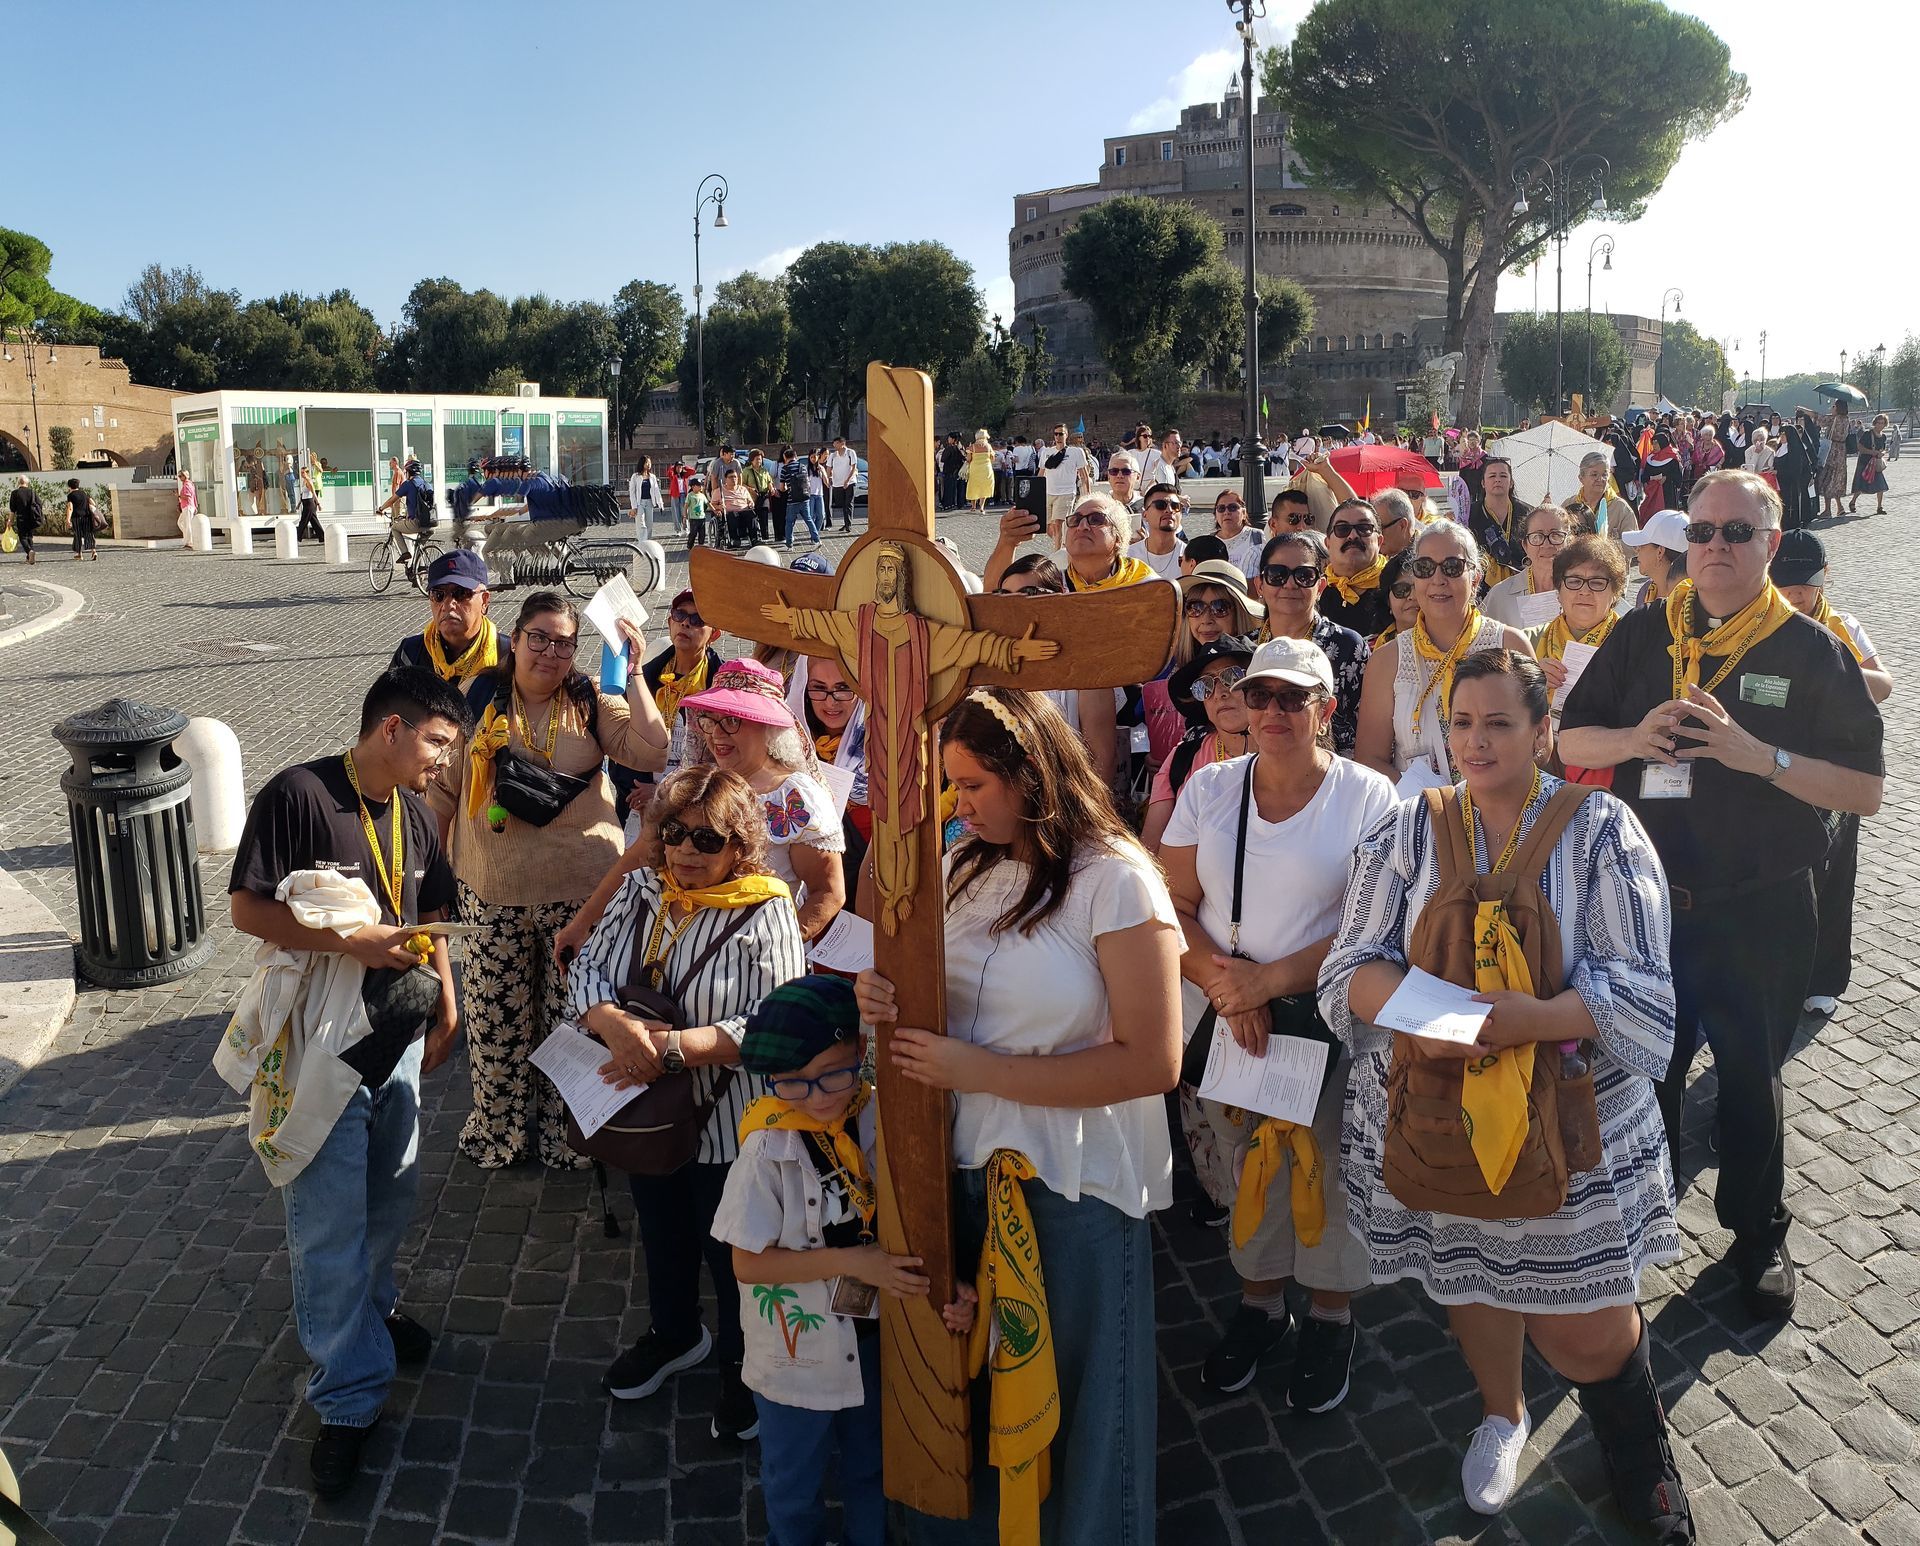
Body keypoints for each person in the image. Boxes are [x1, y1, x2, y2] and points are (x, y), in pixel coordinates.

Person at [1321, 650, 1691, 1537]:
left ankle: (1637, 1442)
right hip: (1441, 1115)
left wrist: (1532, 1019)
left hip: (1567, 1124)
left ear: (1541, 731)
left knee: (1588, 1331)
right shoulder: (1408, 830)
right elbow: (1351, 965)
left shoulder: (1601, 829)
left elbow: (1643, 989)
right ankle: (1502, 1412)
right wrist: (1432, 1013)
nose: (1476, 742)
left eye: (1498, 723)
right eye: (1461, 723)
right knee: (1473, 1274)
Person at [853, 688, 1182, 1543]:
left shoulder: (1117, 878)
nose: (957, 804)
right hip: (963, 1173)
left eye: (972, 785)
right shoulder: (962, 865)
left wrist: (982, 1072)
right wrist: (880, 994)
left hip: (1070, 1190)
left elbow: (1153, 1062)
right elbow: (940, 998)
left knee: (1082, 1418)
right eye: (951, 785)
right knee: (976, 1400)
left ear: (1031, 775)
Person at [1560, 470, 1885, 1322]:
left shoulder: (1809, 649)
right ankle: (1642, 1217)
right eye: (1702, 532)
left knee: (1749, 1077)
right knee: (1646, 1071)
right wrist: (1633, 738)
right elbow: (1568, 739)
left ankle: (1757, 1234)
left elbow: (1865, 790)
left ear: (1770, 544)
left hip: (1760, 907)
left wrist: (1757, 757)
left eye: (1737, 532)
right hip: (1648, 905)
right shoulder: (1644, 632)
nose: (1715, 547)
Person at [226, 668, 470, 1497]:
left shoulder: (417, 814)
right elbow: (248, 910)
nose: (444, 760)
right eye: (437, 742)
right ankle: (347, 1399)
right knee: (327, 1219)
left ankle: (372, 1313)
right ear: (391, 729)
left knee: (388, 1199)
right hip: (318, 1044)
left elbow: (432, 913)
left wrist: (447, 1002)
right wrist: (349, 944)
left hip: (395, 1039)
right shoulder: (300, 794)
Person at [1163, 636, 1397, 1406]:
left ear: (1326, 709)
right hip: (1232, 1021)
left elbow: (1377, 925)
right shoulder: (1211, 787)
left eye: (1293, 698)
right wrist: (1229, 990)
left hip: (1329, 1022)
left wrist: (1267, 982)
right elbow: (1174, 903)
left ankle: (1331, 1316)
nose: (1272, 710)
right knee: (1249, 1166)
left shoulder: (1368, 796)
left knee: (1331, 1170)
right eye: (1260, 694)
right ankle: (1261, 1305)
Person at [569, 765, 808, 1442]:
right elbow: (587, 967)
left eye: (707, 839)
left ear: (741, 846)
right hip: (643, 1110)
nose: (685, 851)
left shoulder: (767, 909)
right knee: (662, 1227)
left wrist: (674, 1049)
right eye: (674, 833)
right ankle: (675, 1333)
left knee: (730, 1249)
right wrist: (612, 1024)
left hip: (724, 1119)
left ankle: (744, 1361)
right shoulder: (643, 889)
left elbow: (775, 1024)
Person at [717, 975, 977, 1546]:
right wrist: (854, 1262)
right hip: (794, 1361)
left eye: (835, 1074)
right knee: (793, 1484)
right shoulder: (767, 1149)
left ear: (860, 1051)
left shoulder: (880, 1117)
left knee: (871, 1468)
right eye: (794, 1082)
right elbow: (748, 1265)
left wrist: (947, 1283)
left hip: (874, 1345)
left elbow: (916, 1217)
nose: (818, 1097)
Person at [429, 593, 670, 1169]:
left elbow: (653, 749)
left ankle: (571, 1134)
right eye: (538, 638)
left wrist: (636, 673)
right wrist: (435, 875)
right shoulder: (478, 696)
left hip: (581, 894)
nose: (550, 653)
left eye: (564, 643)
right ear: (515, 639)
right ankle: (499, 1132)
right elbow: (443, 789)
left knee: (574, 1017)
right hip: (492, 889)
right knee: (495, 1019)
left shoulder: (589, 697)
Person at [1767, 530, 1893, 1020]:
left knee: (1833, 875)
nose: (1797, 595)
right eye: (1787, 585)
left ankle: (1823, 978)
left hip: (1834, 768)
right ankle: (1774, 971)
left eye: (1807, 584)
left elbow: (1884, 684)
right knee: (1774, 874)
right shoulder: (1760, 623)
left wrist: (1829, 669)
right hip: (1774, 764)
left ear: (1825, 578)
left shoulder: (1842, 625)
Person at [675, 659, 847, 940]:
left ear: (769, 727)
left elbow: (828, 892)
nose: (717, 733)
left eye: (732, 721)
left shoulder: (793, 797)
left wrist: (776, 948)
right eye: (711, 720)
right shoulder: (700, 783)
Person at [1354, 520, 1531, 784]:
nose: (1438, 580)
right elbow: (1369, 759)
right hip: (1417, 806)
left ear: (1475, 578)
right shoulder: (1388, 660)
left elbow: (1537, 745)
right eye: (1425, 568)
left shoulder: (1509, 646)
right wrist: (1431, 801)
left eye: (1452, 567)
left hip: (1499, 803)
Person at [1253, 529, 1368, 756]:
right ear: (1260, 586)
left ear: (1321, 587)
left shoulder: (1347, 646)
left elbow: (1365, 729)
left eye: (1304, 576)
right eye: (1277, 575)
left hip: (1333, 769)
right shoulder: (1245, 647)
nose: (1290, 584)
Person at [620, 588, 726, 826]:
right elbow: (625, 743)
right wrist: (635, 788)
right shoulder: (644, 677)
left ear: (715, 634)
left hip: (697, 808)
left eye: (697, 619)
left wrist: (664, 790)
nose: (685, 623)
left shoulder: (721, 686)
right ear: (670, 622)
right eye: (679, 615)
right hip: (640, 803)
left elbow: (723, 758)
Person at [1143, 636, 1255, 854]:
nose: (1220, 693)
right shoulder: (1181, 758)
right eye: (1205, 685)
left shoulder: (1284, 753)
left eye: (1232, 677)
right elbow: (1150, 850)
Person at [1529, 534, 1627, 727]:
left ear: (1615, 594)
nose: (1584, 591)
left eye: (1597, 582)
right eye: (1574, 581)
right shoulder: (1529, 641)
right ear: (1558, 591)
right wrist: (1530, 679)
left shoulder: (1630, 643)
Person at [800, 652, 870, 875]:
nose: (831, 701)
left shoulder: (887, 746)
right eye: (819, 688)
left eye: (843, 688)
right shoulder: (794, 749)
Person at [390, 550, 498, 685]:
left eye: (461, 593)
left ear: (485, 601)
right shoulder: (409, 656)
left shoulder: (507, 658)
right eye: (438, 595)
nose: (448, 605)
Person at [1480, 506, 1573, 629]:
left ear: (1569, 542)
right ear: (1525, 545)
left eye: (1555, 535)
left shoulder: (1582, 591)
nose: (1546, 544)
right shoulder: (1500, 595)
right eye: (1537, 537)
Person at [1316, 498, 1392, 640]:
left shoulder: (1398, 587)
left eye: (1364, 528)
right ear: (1328, 543)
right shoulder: (1313, 590)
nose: (1353, 536)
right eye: (1342, 529)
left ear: (1380, 541)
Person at [1467, 456, 1528, 583]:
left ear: (1511, 483)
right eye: (1492, 476)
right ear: (1483, 483)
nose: (1497, 480)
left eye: (1503, 476)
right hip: (1480, 583)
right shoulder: (1470, 513)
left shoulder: (1525, 513)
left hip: (1520, 581)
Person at [1621, 511, 1689, 608]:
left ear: (1660, 552)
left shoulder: (1692, 602)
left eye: (1642, 544)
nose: (1637, 549)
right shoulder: (1645, 591)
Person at [1040, 422, 1092, 545]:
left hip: (1066, 492)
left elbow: (1084, 475)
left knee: (1058, 524)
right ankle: (1064, 543)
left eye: (1061, 434)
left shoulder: (1076, 452)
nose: (1058, 437)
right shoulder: (1046, 452)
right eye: (1056, 434)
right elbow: (1041, 473)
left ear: (1066, 435)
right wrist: (1036, 491)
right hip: (1048, 492)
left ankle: (1056, 553)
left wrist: (1088, 495)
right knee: (1048, 527)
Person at [1572, 451, 1637, 540]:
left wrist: (1604, 545)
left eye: (1605, 474)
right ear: (1581, 478)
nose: (1600, 479)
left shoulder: (1621, 508)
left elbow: (1633, 544)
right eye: (1594, 474)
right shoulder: (1570, 505)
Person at [1131, 481, 1188, 580]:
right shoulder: (1128, 557)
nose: (1169, 510)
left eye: (1175, 506)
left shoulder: (1189, 558)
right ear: (1145, 514)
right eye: (1160, 505)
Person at [1211, 486, 1265, 577]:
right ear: (1215, 515)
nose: (1226, 512)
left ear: (1243, 513)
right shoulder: (1209, 542)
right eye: (1221, 508)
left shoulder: (1257, 537)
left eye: (1232, 507)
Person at [1851, 412, 1890, 515]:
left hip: (1876, 464)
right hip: (1865, 463)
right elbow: (1859, 447)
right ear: (1875, 423)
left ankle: (1879, 507)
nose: (1880, 425)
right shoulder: (1868, 434)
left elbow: (1884, 448)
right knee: (1861, 485)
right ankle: (1853, 501)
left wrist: (1882, 453)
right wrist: (1871, 452)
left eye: (1882, 423)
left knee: (1881, 485)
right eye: (1878, 423)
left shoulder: (1883, 436)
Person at [1367, 486, 1421, 559]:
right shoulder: (1380, 557)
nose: (1377, 535)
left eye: (1380, 529)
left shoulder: (1424, 556)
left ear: (1402, 525)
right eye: (1373, 529)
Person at [1818, 400, 1850, 519]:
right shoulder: (1847, 419)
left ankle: (1828, 510)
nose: (1832, 408)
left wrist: (1805, 411)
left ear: (1837, 408)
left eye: (1833, 406)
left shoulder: (1834, 419)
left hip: (1833, 450)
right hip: (1841, 451)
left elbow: (1819, 418)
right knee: (1836, 480)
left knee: (1828, 479)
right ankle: (1840, 507)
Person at [743, 448, 777, 543]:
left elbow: (769, 481)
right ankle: (754, 538)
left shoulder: (764, 470)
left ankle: (765, 537)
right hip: (752, 497)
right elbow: (741, 484)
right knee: (753, 517)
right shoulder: (746, 471)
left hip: (763, 496)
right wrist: (750, 489)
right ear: (751, 460)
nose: (759, 461)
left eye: (760, 459)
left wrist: (771, 488)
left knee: (764, 516)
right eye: (757, 459)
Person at [716, 467, 755, 551]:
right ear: (725, 479)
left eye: (735, 477)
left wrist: (751, 504)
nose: (733, 479)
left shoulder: (743, 489)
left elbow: (750, 501)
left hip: (744, 511)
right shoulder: (719, 491)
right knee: (732, 516)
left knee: (752, 515)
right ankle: (734, 539)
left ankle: (754, 539)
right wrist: (719, 507)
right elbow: (712, 504)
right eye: (731, 477)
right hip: (730, 512)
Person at [827, 434, 859, 533]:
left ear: (842, 443)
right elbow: (829, 467)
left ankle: (848, 525)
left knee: (848, 503)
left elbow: (853, 467)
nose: (834, 445)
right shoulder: (833, 455)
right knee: (841, 503)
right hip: (837, 483)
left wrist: (847, 480)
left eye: (836, 443)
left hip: (849, 482)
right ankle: (846, 522)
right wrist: (829, 477)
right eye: (834, 443)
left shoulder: (850, 452)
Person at [7, 475, 41, 564]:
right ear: (27, 482)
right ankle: (29, 557)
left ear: (19, 482)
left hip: (21, 518)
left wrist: (10, 521)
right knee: (30, 537)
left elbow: (12, 510)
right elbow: (39, 504)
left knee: (22, 537)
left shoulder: (15, 493)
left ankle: (29, 551)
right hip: (32, 518)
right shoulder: (32, 492)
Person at [1102, 449, 1145, 515]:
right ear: (1108, 476)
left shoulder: (1146, 507)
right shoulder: (1099, 507)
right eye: (1114, 471)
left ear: (1138, 477)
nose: (1119, 476)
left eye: (1126, 471)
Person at [66, 478, 100, 560]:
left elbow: (70, 508)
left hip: (76, 517)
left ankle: (79, 554)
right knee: (89, 534)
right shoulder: (84, 493)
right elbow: (92, 502)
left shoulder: (70, 495)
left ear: (69, 486)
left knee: (78, 535)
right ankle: (94, 551)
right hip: (87, 517)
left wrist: (68, 519)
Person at [629, 456, 661, 539]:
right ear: (642, 463)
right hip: (640, 503)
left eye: (649, 463)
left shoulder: (652, 477)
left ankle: (648, 541)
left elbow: (656, 490)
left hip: (649, 502)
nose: (648, 464)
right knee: (641, 524)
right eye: (647, 462)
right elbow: (632, 492)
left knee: (649, 524)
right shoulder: (635, 476)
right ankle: (642, 542)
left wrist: (660, 502)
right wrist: (634, 506)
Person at [964, 429, 995, 514]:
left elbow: (968, 459)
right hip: (986, 468)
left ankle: (973, 506)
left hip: (975, 469)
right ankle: (981, 507)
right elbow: (992, 458)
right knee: (984, 486)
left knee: (973, 485)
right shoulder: (988, 446)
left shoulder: (972, 447)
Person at [684, 474, 713, 548]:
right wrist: (685, 515)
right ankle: (690, 545)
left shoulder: (702, 495)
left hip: (702, 518)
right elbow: (686, 506)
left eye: (701, 485)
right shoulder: (690, 495)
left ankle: (701, 545)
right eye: (699, 485)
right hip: (693, 518)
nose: (701, 487)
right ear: (693, 486)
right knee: (693, 533)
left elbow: (708, 503)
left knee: (702, 533)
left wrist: (714, 510)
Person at [176, 466, 198, 543]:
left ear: (184, 476)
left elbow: (188, 497)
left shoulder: (187, 485)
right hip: (188, 506)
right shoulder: (190, 484)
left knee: (187, 524)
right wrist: (195, 506)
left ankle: (189, 541)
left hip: (187, 506)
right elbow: (193, 496)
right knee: (181, 522)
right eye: (179, 476)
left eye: (180, 476)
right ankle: (188, 538)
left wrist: (178, 496)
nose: (179, 478)